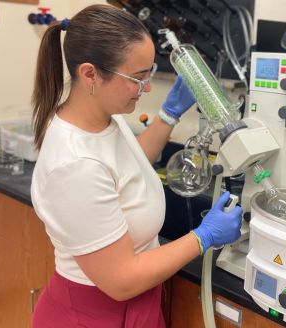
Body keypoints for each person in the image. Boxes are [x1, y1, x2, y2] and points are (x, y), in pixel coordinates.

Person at [30, 4, 242, 328]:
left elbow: (131, 163)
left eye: (150, 74)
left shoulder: (102, 116)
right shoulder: (74, 166)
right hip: (96, 314)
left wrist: (169, 115)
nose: (146, 89)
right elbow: (121, 280)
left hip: (135, 303)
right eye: (138, 78)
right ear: (90, 74)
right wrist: (203, 236)